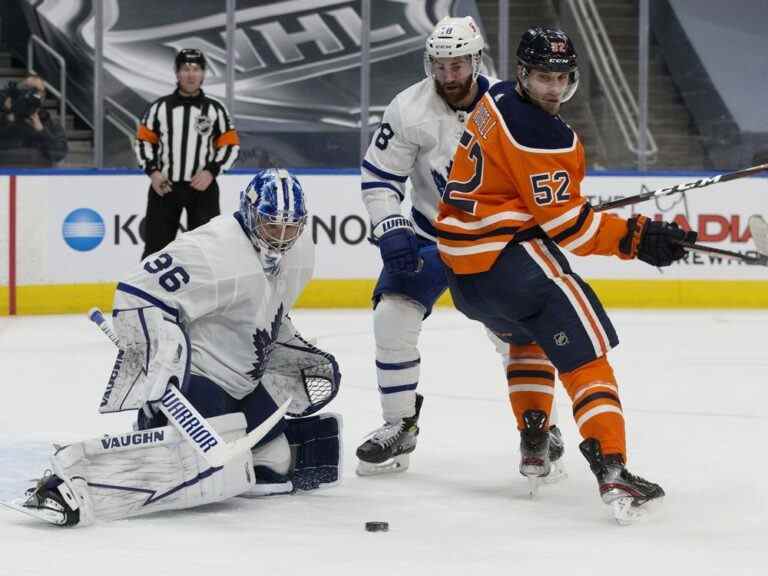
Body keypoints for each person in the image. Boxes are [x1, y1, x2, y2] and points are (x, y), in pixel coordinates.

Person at [435, 27, 697, 523]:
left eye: (559, 77)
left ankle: (535, 439)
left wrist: (546, 209)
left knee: (530, 338)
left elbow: (523, 194)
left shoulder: (496, 99)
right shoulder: (543, 135)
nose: (552, 88)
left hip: (467, 279)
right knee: (587, 357)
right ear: (522, 74)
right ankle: (613, 467)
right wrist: (639, 238)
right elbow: (572, 228)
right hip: (509, 263)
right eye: (541, 77)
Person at [14, 169, 342, 526]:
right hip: (199, 380)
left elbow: (265, 310)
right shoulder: (214, 250)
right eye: (271, 225)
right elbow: (136, 294)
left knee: (275, 464)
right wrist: (162, 368)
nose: (281, 238)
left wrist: (288, 344)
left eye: (290, 228)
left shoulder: (301, 252)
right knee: (196, 467)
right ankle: (84, 474)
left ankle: (207, 439)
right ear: (249, 213)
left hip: (245, 384)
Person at [356, 16, 565, 480]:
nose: (449, 76)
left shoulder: (512, 106)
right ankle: (399, 424)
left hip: (494, 245)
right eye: (442, 65)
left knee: (520, 331)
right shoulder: (408, 107)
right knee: (392, 316)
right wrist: (390, 225)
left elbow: (541, 172)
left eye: (458, 65)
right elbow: (380, 176)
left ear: (475, 60)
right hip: (431, 237)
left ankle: (540, 425)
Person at [135, 48, 240, 260]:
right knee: (156, 250)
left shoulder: (215, 109)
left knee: (207, 251)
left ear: (203, 73)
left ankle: (207, 294)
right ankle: (149, 293)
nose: (190, 74)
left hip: (202, 189)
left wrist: (211, 172)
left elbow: (230, 145)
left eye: (196, 69)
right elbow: (143, 142)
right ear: (176, 72)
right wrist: (153, 173)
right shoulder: (159, 108)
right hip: (165, 187)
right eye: (185, 69)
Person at [0, 73, 68, 167]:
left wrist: (42, 131)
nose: (33, 95)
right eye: (28, 89)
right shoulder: (5, 118)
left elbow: (59, 154)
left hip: (40, 178)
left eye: (37, 91)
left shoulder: (52, 125)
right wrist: (8, 116)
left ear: (43, 97)